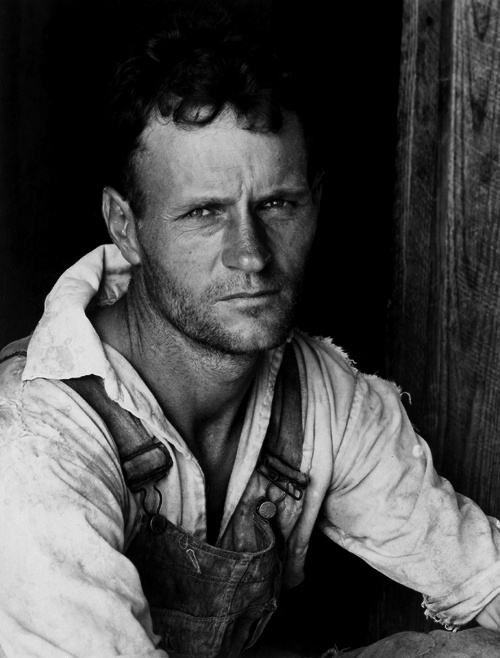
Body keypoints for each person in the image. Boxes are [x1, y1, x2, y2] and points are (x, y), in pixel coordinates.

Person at [1, 4, 500, 658]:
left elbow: (482, 574)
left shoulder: (322, 400)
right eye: (204, 213)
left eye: (277, 205)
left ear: (315, 203)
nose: (251, 254)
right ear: (125, 226)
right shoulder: (34, 441)